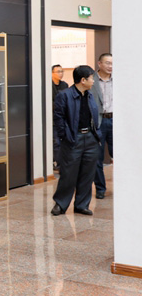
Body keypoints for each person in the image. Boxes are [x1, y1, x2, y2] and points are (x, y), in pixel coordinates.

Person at [51, 65, 100, 216]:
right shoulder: (64, 95)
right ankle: (60, 204)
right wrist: (65, 136)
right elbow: (58, 118)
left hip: (90, 138)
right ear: (83, 80)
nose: (93, 81)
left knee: (87, 174)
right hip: (73, 139)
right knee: (68, 174)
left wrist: (96, 134)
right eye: (91, 78)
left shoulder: (90, 95)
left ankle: (81, 205)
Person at [90, 53, 113, 199]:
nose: (111, 66)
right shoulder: (91, 80)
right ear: (99, 64)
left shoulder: (119, 79)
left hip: (115, 121)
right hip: (98, 122)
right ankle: (100, 188)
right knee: (97, 157)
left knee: (120, 155)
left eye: (112, 63)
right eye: (107, 63)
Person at [51, 64, 69, 170]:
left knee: (62, 142)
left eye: (62, 71)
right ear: (52, 73)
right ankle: (58, 164)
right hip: (52, 118)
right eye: (58, 71)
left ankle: (61, 162)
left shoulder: (64, 85)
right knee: (56, 142)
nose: (60, 74)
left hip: (63, 117)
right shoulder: (48, 85)